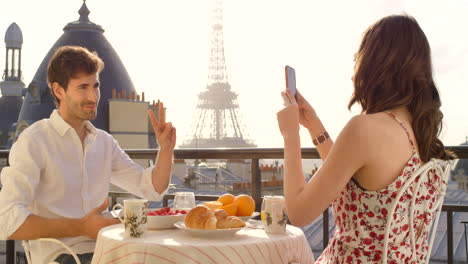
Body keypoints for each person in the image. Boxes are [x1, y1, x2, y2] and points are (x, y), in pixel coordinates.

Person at [277, 15, 455, 263]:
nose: (353, 73)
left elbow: (298, 213)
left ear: (374, 65)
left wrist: (290, 135)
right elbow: (353, 179)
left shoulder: (364, 128)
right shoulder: (419, 130)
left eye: (356, 60)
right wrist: (313, 125)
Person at [0, 46, 176, 263]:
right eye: (82, 87)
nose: (93, 96)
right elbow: (7, 221)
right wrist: (81, 227)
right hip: (61, 255)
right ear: (58, 91)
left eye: (95, 86)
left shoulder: (104, 142)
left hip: (107, 250)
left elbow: (152, 188)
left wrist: (166, 149)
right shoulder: (34, 140)